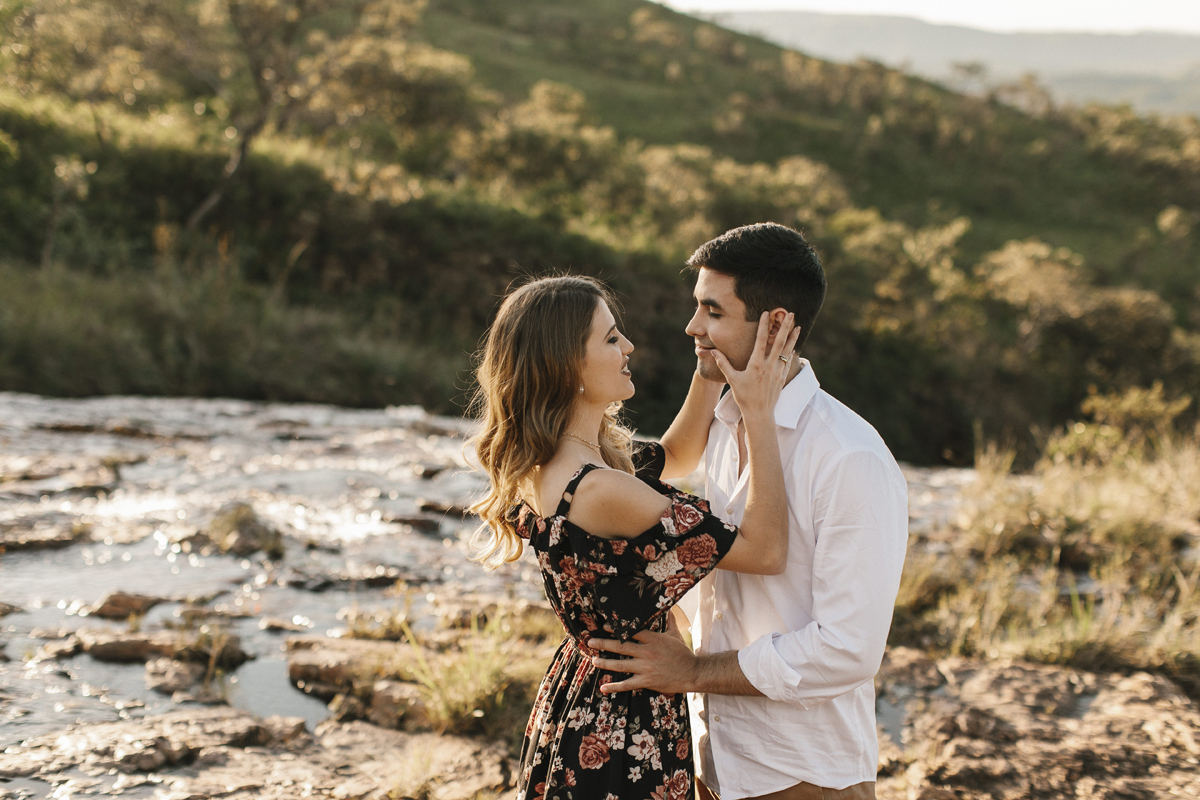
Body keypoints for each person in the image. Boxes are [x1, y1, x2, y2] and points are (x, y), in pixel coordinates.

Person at [589, 223, 909, 800]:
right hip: (712, 758)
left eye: (713, 312)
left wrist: (691, 672)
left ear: (777, 324)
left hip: (802, 772)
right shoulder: (725, 425)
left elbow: (848, 650)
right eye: (696, 308)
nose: (692, 327)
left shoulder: (848, 456)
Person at [468, 274, 802, 800]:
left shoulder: (558, 458)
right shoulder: (600, 490)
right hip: (622, 723)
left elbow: (678, 453)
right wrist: (758, 411)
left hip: (586, 693)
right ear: (566, 365)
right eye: (608, 339)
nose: (628, 346)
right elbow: (766, 550)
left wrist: (709, 367)